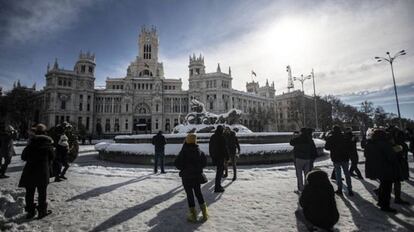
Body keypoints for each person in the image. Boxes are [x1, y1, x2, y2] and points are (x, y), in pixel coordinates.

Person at [18, 124, 55, 219]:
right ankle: (42, 212)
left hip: (30, 170)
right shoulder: (48, 144)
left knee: (29, 192)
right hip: (42, 171)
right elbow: (52, 157)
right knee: (42, 192)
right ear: (45, 132)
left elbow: (23, 157)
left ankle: (30, 212)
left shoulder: (31, 143)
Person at [174, 133, 208, 222]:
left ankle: (193, 215)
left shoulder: (184, 151)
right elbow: (204, 163)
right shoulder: (199, 151)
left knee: (190, 195)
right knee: (198, 193)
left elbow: (177, 164)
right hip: (196, 176)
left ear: (187, 140)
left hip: (186, 177)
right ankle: (205, 213)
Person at [325, 125, 353, 196]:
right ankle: (350, 189)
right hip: (345, 157)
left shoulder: (331, 137)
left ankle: (340, 189)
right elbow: (350, 146)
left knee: (338, 174)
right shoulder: (345, 137)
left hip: (336, 157)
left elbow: (326, 147)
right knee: (347, 173)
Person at [290, 128, 317, 193]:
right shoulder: (309, 140)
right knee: (307, 174)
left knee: (299, 174)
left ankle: (300, 188)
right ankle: (307, 187)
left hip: (299, 159)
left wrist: (294, 135)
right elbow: (313, 150)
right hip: (307, 159)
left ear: (301, 132)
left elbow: (291, 142)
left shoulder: (298, 139)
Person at [391, 129, 410, 205]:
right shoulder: (400, 144)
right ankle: (397, 198)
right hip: (397, 164)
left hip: (396, 164)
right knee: (396, 181)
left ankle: (397, 198)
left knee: (394, 181)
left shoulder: (393, 143)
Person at [209, 125, 229, 192]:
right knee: (219, 172)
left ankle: (218, 185)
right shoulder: (221, 137)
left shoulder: (213, 137)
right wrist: (227, 156)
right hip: (220, 157)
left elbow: (210, 147)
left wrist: (212, 155)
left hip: (215, 157)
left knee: (219, 171)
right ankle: (217, 187)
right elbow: (224, 148)